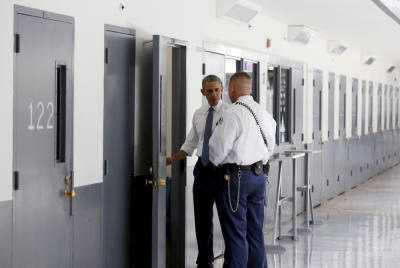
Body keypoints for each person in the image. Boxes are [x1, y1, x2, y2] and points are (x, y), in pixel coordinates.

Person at [209, 71, 276, 268]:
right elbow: (270, 148)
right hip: (259, 177)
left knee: (236, 234)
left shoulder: (232, 113)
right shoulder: (264, 114)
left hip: (236, 180)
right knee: (255, 231)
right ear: (249, 89)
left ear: (231, 89)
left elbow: (217, 149)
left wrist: (215, 162)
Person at [167, 74, 230, 268]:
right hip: (202, 171)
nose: (214, 94)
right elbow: (191, 144)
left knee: (228, 220)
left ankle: (231, 261)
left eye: (217, 90)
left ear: (223, 89)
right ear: (203, 92)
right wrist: (170, 160)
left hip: (223, 172)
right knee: (202, 222)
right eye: (209, 91)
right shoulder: (199, 114)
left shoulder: (231, 112)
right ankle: (205, 263)